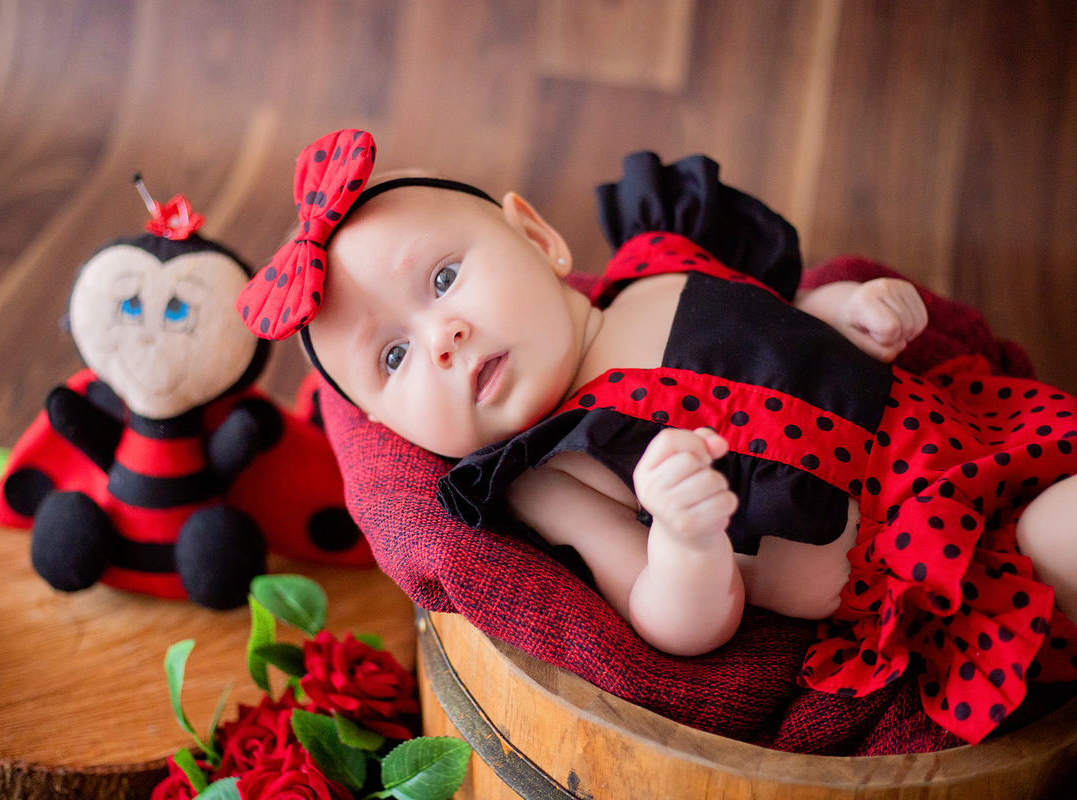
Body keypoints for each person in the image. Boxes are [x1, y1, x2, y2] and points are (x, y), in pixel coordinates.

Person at [237, 129, 1077, 744]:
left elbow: (774, 331)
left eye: (445, 277)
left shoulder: (660, 264)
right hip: (924, 565)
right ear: (395, 428)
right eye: (394, 356)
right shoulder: (550, 470)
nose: (443, 335)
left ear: (537, 238)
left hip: (964, 430)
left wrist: (848, 317)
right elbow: (672, 623)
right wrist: (685, 540)